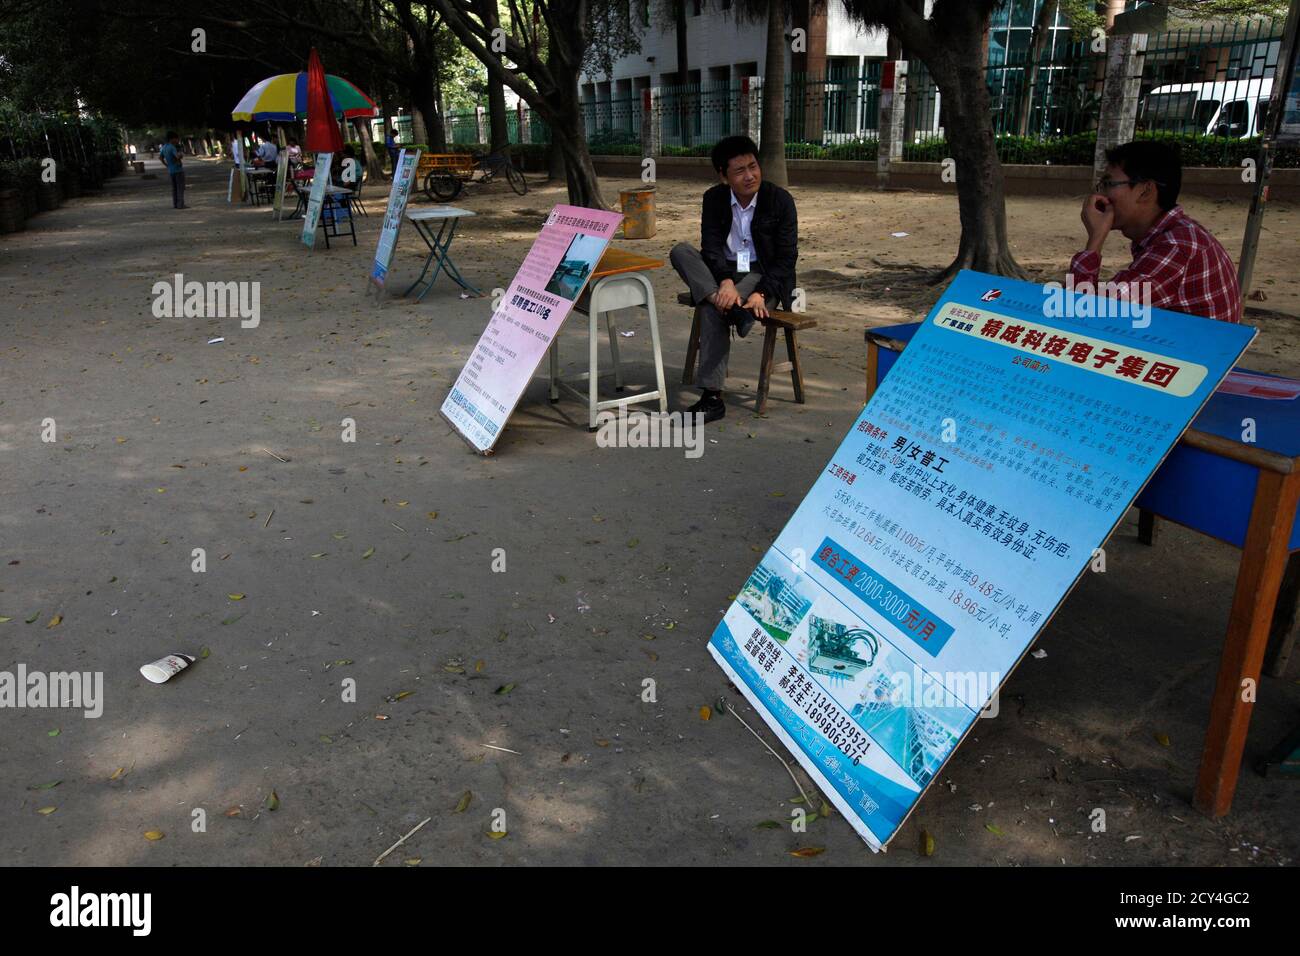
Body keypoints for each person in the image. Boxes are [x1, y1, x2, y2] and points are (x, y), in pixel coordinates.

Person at [669, 135, 798, 423]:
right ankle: (730, 306)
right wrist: (724, 283)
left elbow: (786, 259)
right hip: (724, 272)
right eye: (739, 171)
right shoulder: (713, 199)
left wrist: (761, 293)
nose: (750, 176)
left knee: (709, 307)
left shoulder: (780, 201)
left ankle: (712, 398)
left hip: (763, 275)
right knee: (681, 251)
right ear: (723, 176)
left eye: (753, 166)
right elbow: (711, 247)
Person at [1073, 140, 1241, 323]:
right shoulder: (1175, 233)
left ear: (1146, 191)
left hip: (1189, 350)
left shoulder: (1176, 248)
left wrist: (1095, 240)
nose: (1100, 196)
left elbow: (1079, 312)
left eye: (1108, 184)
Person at [159, 131, 186, 209]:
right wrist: (181, 154)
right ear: (172, 139)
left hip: (171, 170)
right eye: (177, 139)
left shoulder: (164, 147)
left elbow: (160, 158)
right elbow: (177, 157)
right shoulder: (172, 147)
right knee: (180, 187)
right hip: (178, 170)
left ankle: (175, 204)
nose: (178, 140)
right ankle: (180, 204)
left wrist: (167, 165)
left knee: (174, 188)